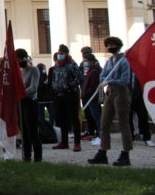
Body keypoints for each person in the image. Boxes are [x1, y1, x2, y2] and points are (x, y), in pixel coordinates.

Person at [88, 36, 133, 166]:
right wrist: (103, 81)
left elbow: (125, 80)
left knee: (123, 123)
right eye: (108, 45)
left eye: (113, 45)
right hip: (110, 92)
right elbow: (103, 75)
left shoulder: (123, 61)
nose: (110, 47)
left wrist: (109, 81)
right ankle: (103, 152)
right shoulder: (109, 61)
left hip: (121, 92)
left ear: (118, 46)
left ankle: (125, 154)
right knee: (104, 122)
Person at [50, 44, 83, 151]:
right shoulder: (57, 65)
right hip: (59, 95)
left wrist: (68, 85)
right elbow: (54, 78)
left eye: (62, 53)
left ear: (66, 54)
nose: (60, 55)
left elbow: (80, 78)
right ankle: (64, 142)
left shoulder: (72, 65)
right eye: (59, 53)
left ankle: (77, 143)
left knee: (74, 118)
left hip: (70, 94)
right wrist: (54, 88)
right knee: (62, 119)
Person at [16, 49, 42, 162]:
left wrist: (21, 93)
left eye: (19, 59)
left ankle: (37, 156)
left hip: (30, 102)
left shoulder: (34, 70)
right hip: (20, 103)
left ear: (24, 58)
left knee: (32, 131)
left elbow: (33, 87)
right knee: (24, 132)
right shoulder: (18, 71)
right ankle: (26, 155)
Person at [81, 53, 102, 146]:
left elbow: (92, 86)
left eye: (86, 61)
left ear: (92, 62)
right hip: (89, 97)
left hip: (92, 98)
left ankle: (100, 134)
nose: (84, 63)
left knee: (97, 116)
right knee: (94, 116)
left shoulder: (94, 72)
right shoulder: (90, 71)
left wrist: (85, 93)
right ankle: (97, 133)